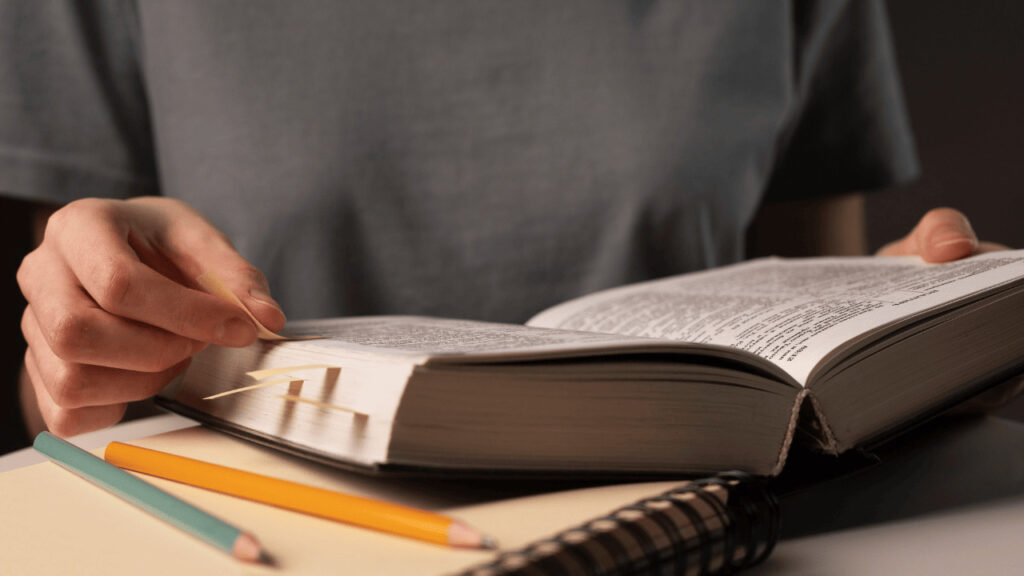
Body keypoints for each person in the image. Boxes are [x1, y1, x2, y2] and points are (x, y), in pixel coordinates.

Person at [0, 1, 1009, 440]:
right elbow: (70, 388)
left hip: (706, 534)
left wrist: (899, 333)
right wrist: (80, 342)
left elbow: (807, 305)